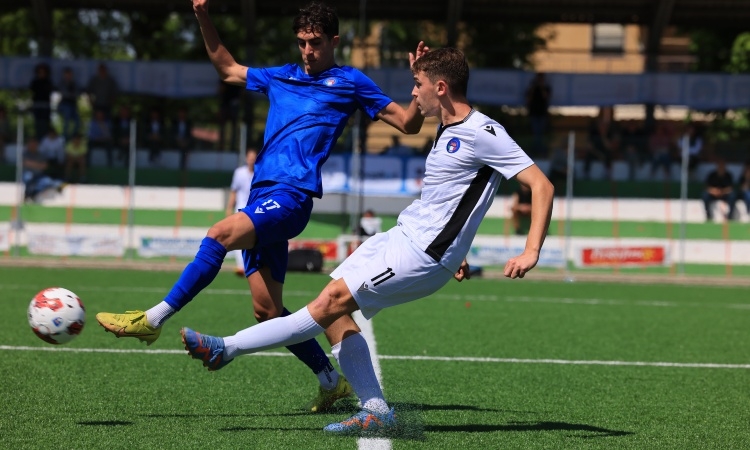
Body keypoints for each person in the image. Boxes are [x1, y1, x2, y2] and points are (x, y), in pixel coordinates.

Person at [178, 47, 554, 435]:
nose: (413, 93)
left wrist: (530, 250)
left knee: (328, 304)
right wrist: (457, 249)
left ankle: (227, 348)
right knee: (335, 312)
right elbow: (454, 197)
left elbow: (541, 185)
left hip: (421, 252)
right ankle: (375, 410)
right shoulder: (447, 124)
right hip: (403, 237)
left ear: (441, 88)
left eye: (418, 85)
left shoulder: (484, 132)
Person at [96, 0, 428, 414]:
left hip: (291, 197)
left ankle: (153, 319)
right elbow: (228, 69)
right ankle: (331, 381)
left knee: (219, 234)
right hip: (261, 196)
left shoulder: (350, 81)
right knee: (266, 310)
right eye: (303, 42)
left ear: (334, 41)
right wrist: (203, 16)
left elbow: (409, 124)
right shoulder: (280, 76)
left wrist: (420, 83)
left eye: (316, 42)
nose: (308, 51)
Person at [226, 148, 258, 277]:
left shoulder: (259, 173)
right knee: (238, 237)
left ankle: (251, 265)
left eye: (254, 157)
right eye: (250, 157)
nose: (251, 159)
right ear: (246, 158)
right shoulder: (239, 173)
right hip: (240, 208)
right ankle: (241, 266)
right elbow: (234, 190)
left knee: (252, 239)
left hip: (254, 209)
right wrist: (229, 207)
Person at [22, 137, 66, 201]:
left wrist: (33, 164)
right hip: (28, 174)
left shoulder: (40, 154)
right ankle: (27, 194)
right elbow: (26, 163)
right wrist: (38, 165)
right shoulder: (25, 153)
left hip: (39, 175)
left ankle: (33, 194)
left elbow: (45, 166)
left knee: (47, 181)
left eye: (35, 144)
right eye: (31, 144)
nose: (33, 145)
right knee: (28, 177)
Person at [583, 105, 618, 180]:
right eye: (600, 125)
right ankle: (586, 173)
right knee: (588, 156)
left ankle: (607, 173)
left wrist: (603, 136)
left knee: (608, 155)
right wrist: (596, 153)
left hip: (604, 153)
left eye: (604, 125)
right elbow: (589, 146)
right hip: (595, 153)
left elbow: (609, 146)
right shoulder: (593, 133)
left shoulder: (609, 134)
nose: (602, 126)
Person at [525, 72, 551, 156]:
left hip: (542, 113)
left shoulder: (546, 88)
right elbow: (528, 98)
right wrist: (534, 87)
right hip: (534, 113)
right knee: (535, 133)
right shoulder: (532, 88)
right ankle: (535, 149)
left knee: (541, 133)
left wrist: (541, 86)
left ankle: (540, 150)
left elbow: (545, 96)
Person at [29, 63, 54, 140]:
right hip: (37, 105)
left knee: (46, 123)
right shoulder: (34, 82)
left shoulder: (48, 82)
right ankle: (38, 140)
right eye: (40, 72)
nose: (42, 74)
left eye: (43, 72)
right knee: (37, 124)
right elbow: (33, 92)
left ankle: (45, 140)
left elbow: (48, 92)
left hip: (46, 106)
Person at [58, 67, 82, 140]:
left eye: (70, 74)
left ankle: (73, 136)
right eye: (67, 74)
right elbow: (65, 94)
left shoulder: (74, 83)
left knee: (78, 122)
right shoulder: (62, 83)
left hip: (73, 105)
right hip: (65, 104)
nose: (68, 76)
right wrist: (71, 94)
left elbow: (77, 93)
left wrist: (71, 94)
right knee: (67, 120)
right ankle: (65, 137)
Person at [171, 106, 194, 171]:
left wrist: (185, 141)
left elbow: (190, 135)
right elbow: (172, 134)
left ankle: (183, 166)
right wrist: (178, 140)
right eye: (180, 113)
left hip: (185, 143)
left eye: (183, 113)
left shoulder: (189, 123)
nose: (182, 114)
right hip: (176, 142)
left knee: (185, 149)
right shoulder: (174, 122)